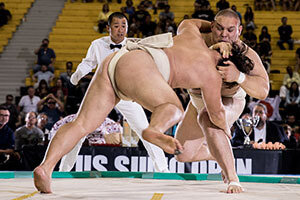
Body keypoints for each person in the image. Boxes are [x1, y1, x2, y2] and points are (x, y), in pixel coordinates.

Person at [33, 12, 256, 194]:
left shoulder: (190, 31)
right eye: (220, 28)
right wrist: (227, 129)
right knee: (173, 108)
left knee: (82, 124)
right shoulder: (212, 73)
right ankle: (154, 130)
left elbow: (192, 22)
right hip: (143, 67)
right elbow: (216, 114)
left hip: (118, 59)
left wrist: (217, 30)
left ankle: (45, 167)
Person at [173, 9, 269, 193]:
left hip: (229, 100)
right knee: (182, 153)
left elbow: (263, 91)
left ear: (239, 30)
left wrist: (239, 76)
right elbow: (185, 25)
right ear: (211, 26)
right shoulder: (199, 40)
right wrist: (212, 47)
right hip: (197, 98)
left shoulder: (245, 53)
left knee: (208, 116)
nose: (224, 34)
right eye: (219, 28)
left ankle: (232, 177)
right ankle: (216, 153)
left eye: (230, 30)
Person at [69, 12, 169, 174]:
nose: (120, 30)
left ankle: (164, 170)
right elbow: (88, 63)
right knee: (80, 129)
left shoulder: (134, 46)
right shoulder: (97, 44)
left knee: (146, 130)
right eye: (116, 26)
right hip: (102, 93)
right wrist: (75, 78)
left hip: (126, 94)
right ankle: (64, 169)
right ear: (108, 28)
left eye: (124, 26)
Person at [47, 114, 122, 171]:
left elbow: (122, 137)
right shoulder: (70, 121)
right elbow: (55, 132)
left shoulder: (109, 124)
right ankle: (59, 170)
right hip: (71, 131)